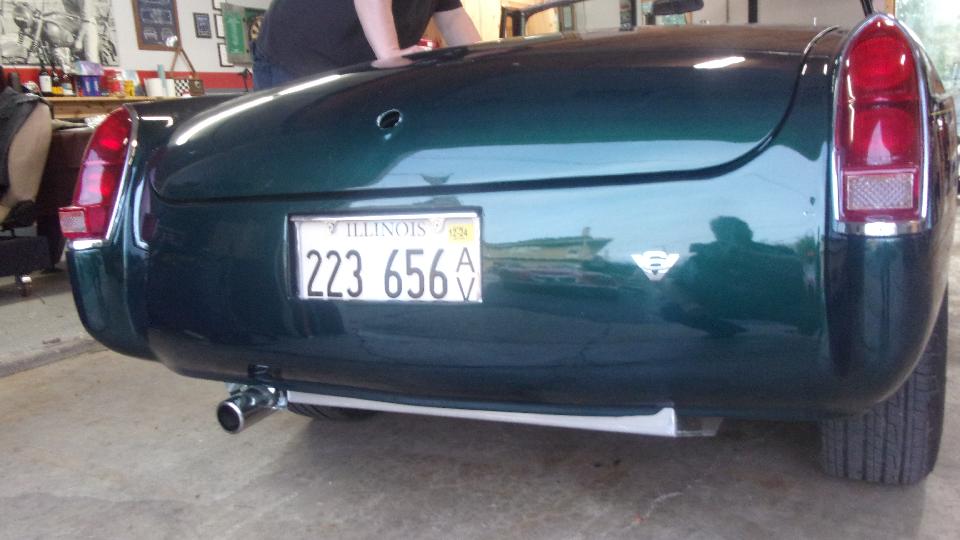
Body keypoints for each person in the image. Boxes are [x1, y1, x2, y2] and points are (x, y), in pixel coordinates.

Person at [253, 0, 481, 90]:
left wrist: (484, 64)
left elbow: (453, 19)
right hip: (297, 61)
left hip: (356, 76)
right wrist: (391, 54)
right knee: (297, 163)